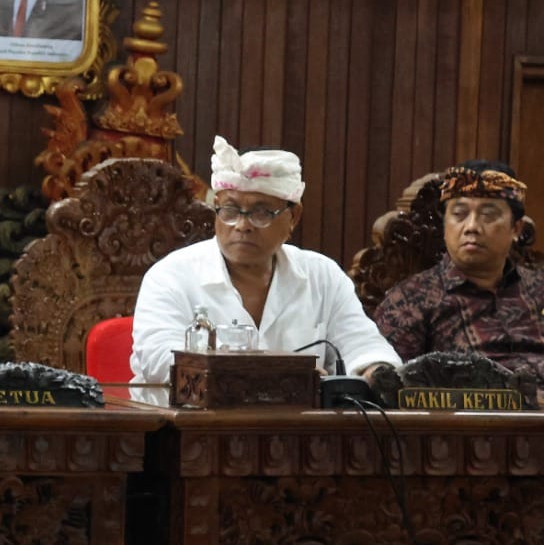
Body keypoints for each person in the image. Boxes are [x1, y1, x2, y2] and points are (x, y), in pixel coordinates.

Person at [130, 136, 401, 385]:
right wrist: (272, 374)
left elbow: (362, 344)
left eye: (260, 213)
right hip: (187, 431)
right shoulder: (171, 275)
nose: (242, 225)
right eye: (230, 210)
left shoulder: (322, 275)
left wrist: (378, 372)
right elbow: (159, 361)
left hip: (297, 431)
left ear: (293, 217)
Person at [374, 161, 544, 381]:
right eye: (459, 214)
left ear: (516, 229)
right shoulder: (409, 301)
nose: (472, 226)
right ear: (445, 226)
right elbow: (387, 388)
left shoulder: (538, 289)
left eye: (488, 215)